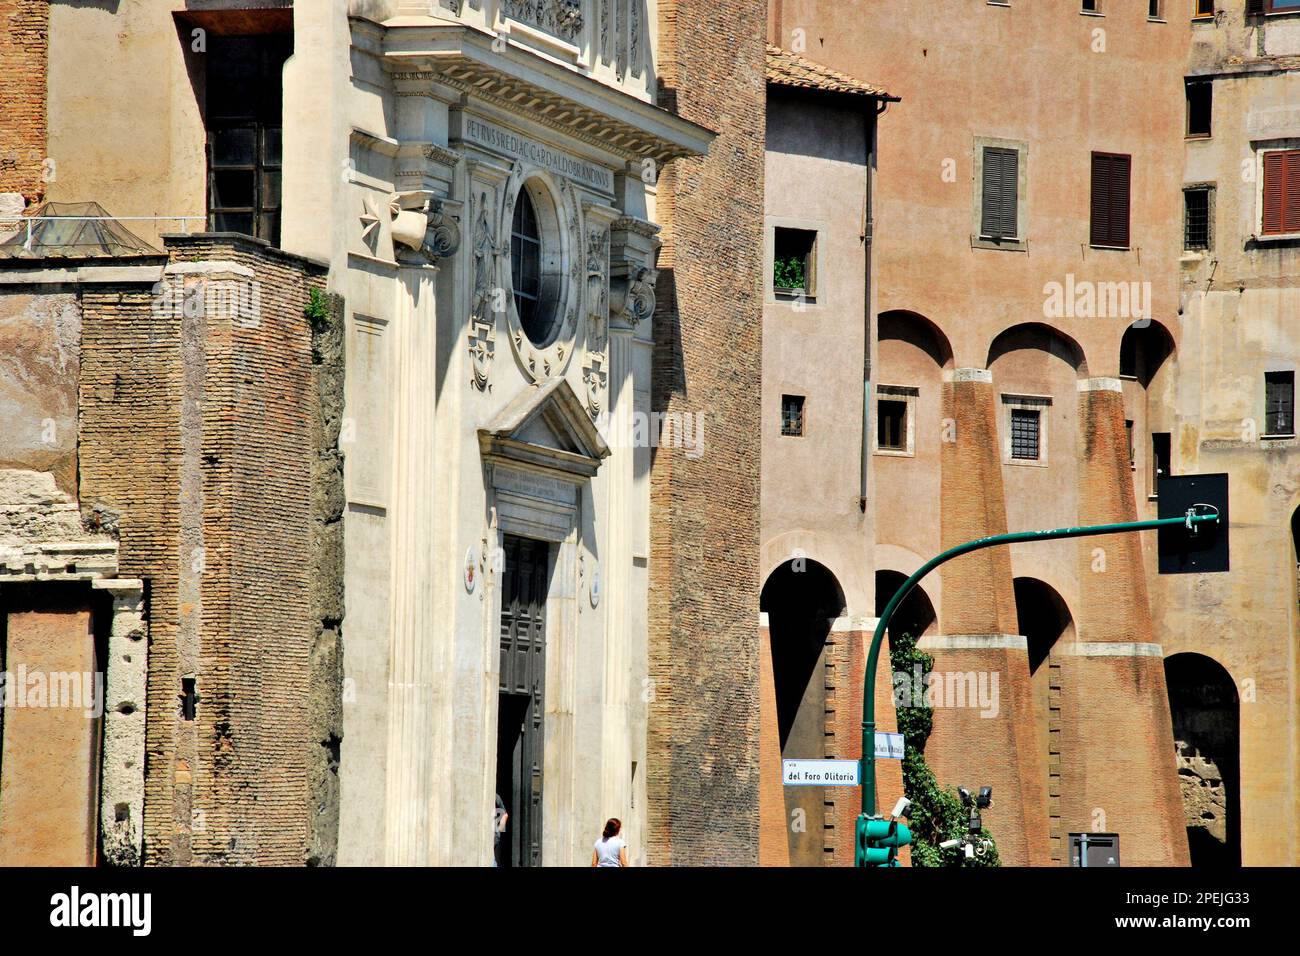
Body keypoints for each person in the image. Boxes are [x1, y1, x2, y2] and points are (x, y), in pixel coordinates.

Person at [493, 793, 508, 867]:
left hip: (493, 835)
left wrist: (498, 831)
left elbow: (505, 815)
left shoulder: (494, 796)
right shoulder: (495, 796)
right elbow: (505, 815)